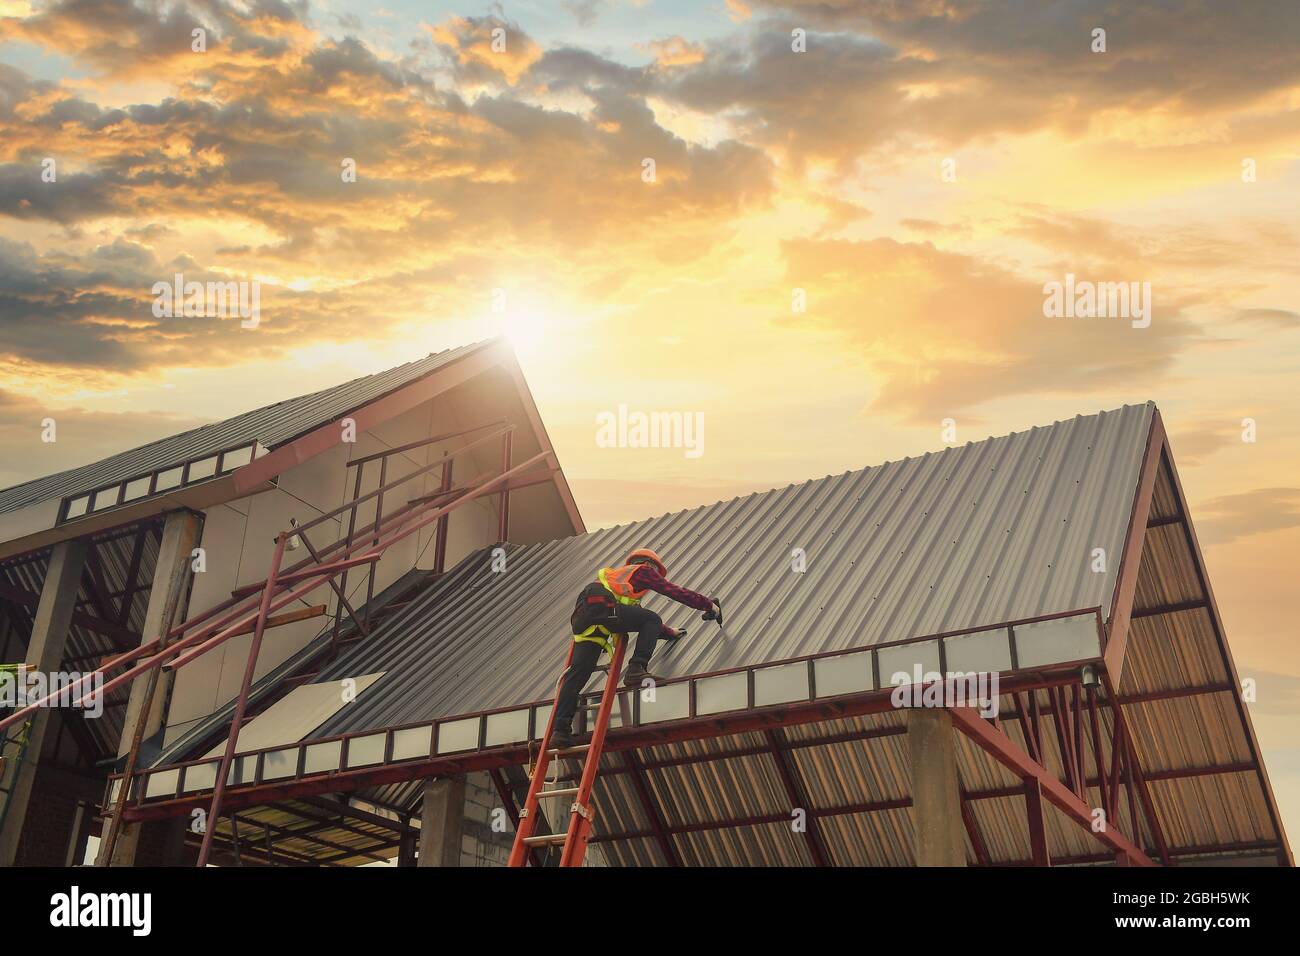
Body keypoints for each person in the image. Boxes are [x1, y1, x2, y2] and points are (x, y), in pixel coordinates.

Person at [550, 548, 718, 750]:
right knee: (652, 617)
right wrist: (708, 605)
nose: (655, 575)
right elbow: (673, 592)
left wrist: (670, 632)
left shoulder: (620, 584)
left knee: (577, 675)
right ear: (649, 564)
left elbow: (637, 617)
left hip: (586, 616)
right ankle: (636, 668)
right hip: (603, 607)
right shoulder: (643, 571)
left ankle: (560, 731)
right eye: (656, 570)